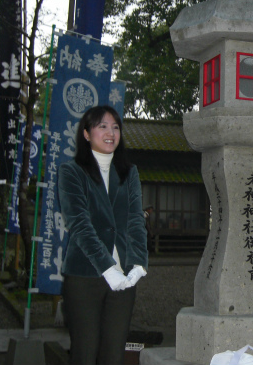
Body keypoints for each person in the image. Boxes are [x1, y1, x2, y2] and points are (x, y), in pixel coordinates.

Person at [58, 105, 149, 365]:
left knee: (114, 355)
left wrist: (139, 263)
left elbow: (135, 218)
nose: (111, 133)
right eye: (103, 126)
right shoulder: (71, 171)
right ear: (86, 134)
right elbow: (79, 223)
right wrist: (108, 269)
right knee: (85, 353)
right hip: (85, 276)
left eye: (115, 127)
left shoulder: (129, 172)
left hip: (124, 279)